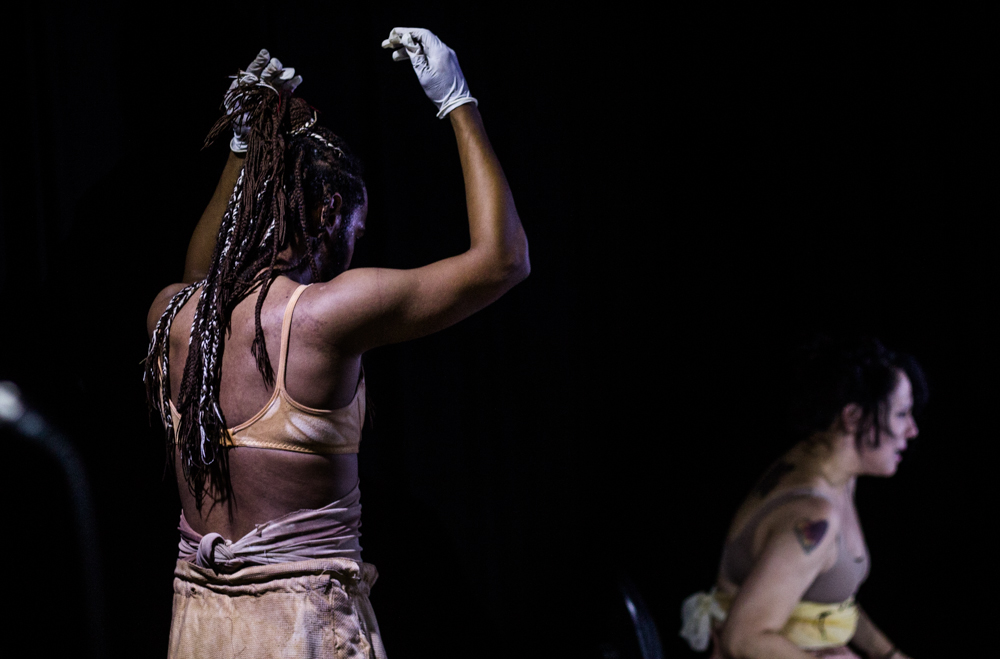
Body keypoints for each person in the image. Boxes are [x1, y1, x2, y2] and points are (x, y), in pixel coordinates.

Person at [144, 28, 528, 659]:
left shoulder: (174, 315)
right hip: (302, 631)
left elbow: (201, 277)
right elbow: (503, 261)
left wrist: (241, 150)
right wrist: (458, 102)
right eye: (357, 224)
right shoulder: (322, 317)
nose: (355, 242)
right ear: (328, 213)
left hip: (200, 627)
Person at [680, 337, 926, 659]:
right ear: (853, 417)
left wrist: (890, 655)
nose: (912, 430)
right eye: (901, 414)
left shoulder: (836, 478)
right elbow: (742, 639)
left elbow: (832, 601)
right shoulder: (811, 514)